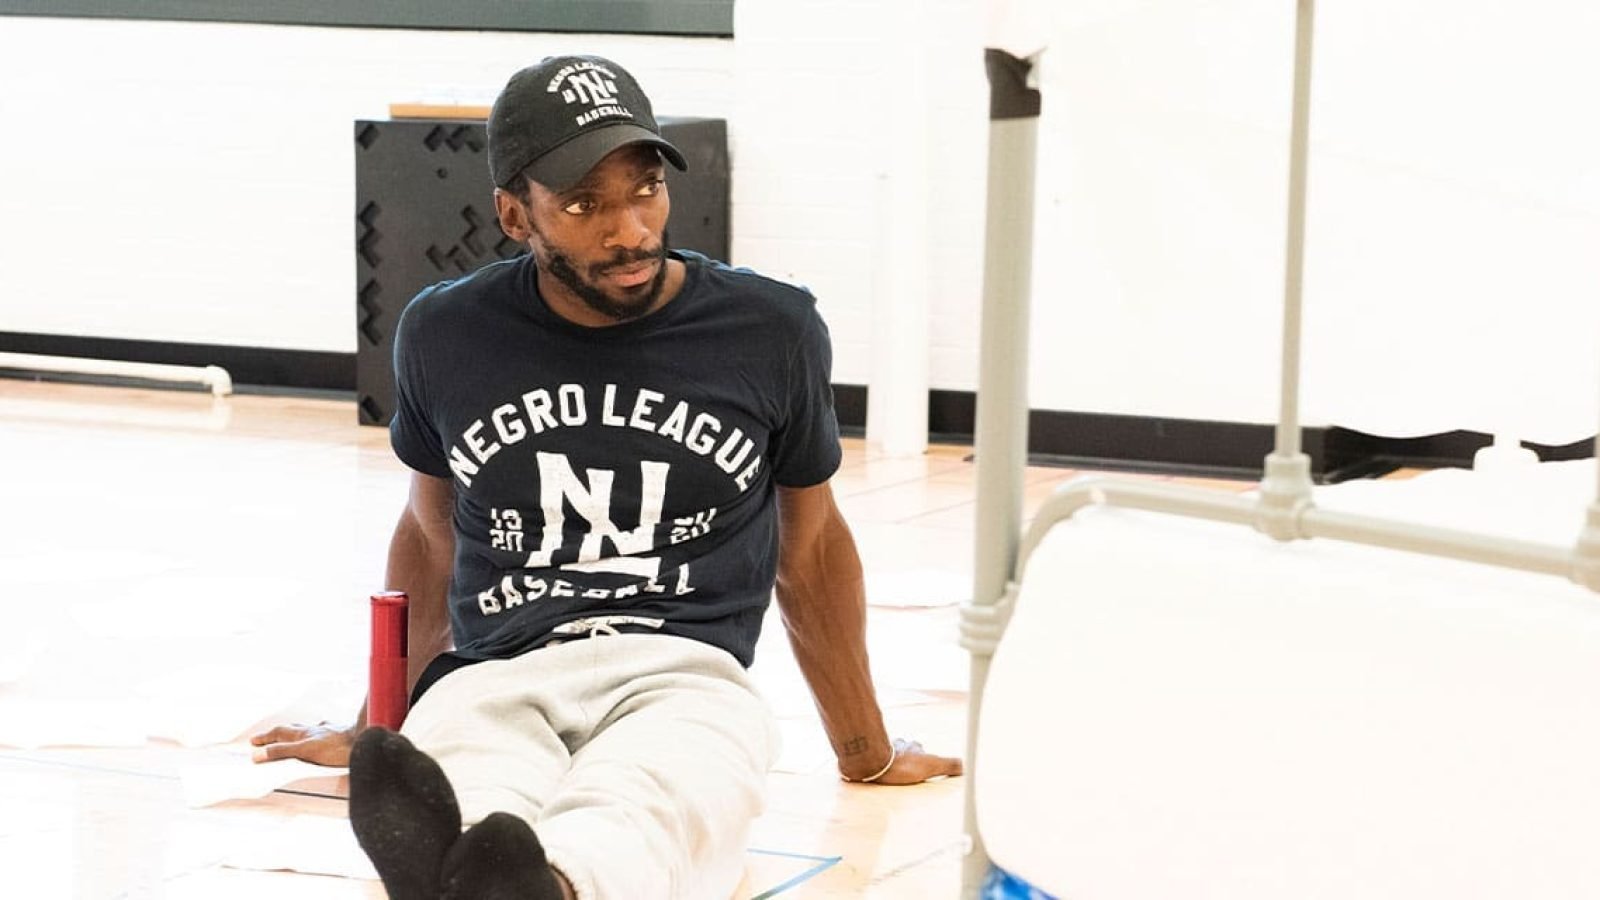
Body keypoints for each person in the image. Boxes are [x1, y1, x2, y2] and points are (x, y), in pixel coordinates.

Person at [250, 54, 962, 900]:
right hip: (497, 666)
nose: (629, 230)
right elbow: (430, 537)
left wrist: (864, 752)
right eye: (584, 204)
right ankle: (476, 864)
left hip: (683, 668)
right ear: (516, 215)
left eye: (644, 190)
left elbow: (808, 550)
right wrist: (382, 715)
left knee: (663, 791)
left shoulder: (769, 329)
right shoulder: (446, 332)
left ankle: (548, 884)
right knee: (472, 769)